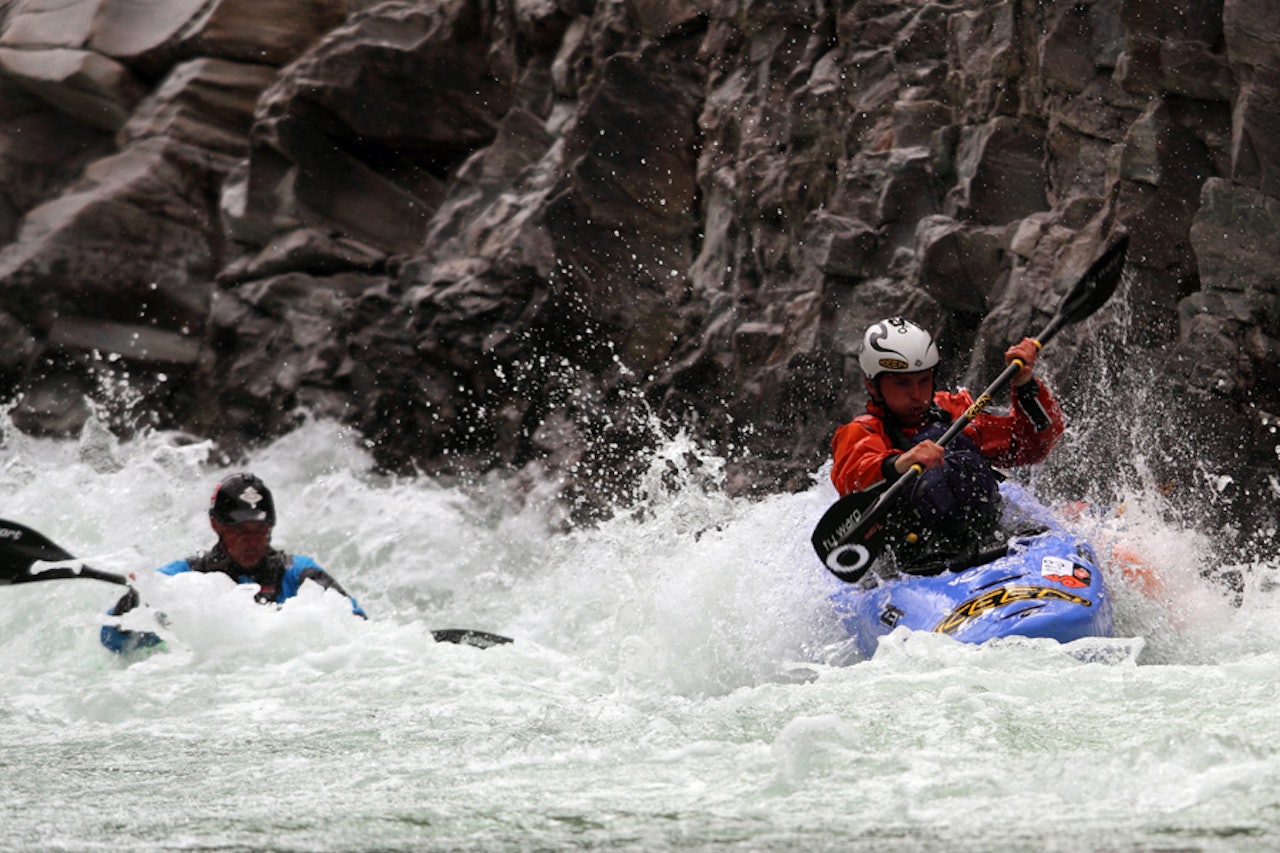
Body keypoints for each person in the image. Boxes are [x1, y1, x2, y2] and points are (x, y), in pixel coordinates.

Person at [829, 317, 1065, 568]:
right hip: (916, 568)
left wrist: (1025, 386)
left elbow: (1030, 447)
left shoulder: (955, 411)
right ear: (872, 385)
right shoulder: (860, 431)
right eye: (901, 383)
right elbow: (853, 475)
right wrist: (900, 462)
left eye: (924, 380)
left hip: (991, 542)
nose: (917, 395)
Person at [101, 473, 365, 653]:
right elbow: (111, 639)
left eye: (259, 529)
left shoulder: (297, 573)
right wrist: (134, 599)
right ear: (216, 524)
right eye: (240, 531)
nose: (252, 542)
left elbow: (359, 626)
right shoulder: (181, 576)